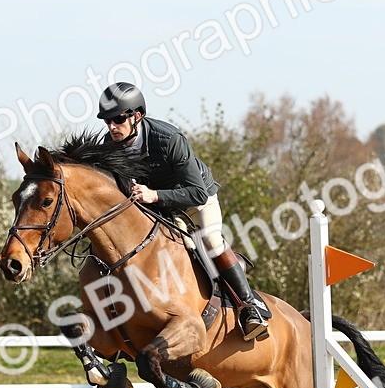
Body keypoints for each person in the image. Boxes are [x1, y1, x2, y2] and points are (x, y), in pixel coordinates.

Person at [96, 81, 271, 341]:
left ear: (137, 116)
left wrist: (155, 195)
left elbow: (197, 193)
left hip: (195, 200)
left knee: (210, 240)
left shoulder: (169, 140)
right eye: (107, 121)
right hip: (158, 205)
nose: (112, 127)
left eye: (118, 119)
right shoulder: (109, 144)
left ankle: (249, 307)